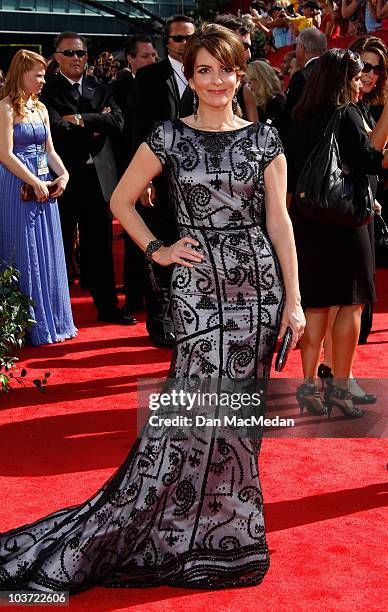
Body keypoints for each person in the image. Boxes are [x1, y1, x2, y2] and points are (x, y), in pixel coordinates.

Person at [0, 24, 305, 593]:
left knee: (236, 421)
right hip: (196, 291)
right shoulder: (168, 137)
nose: (217, 80)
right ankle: (172, 524)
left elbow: (280, 222)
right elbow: (120, 199)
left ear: (242, 74)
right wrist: (159, 250)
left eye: (226, 69)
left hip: (256, 293)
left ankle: (226, 535)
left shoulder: (265, 141)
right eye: (204, 70)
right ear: (189, 77)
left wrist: (294, 298)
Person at [288, 48, 388, 417]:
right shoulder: (345, 114)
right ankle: (341, 389)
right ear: (343, 80)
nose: (362, 84)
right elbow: (372, 161)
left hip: (309, 220)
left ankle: (309, 385)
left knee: (316, 305)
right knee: (350, 304)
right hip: (346, 222)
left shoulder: (299, 114)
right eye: (357, 76)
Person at [40, 32, 133, 325]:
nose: (76, 59)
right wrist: (95, 122)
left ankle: (108, 308)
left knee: (101, 247)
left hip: (99, 179)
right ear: (56, 58)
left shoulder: (101, 87)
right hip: (64, 179)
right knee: (61, 247)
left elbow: (116, 123)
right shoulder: (47, 92)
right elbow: (55, 131)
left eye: (80, 53)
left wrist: (79, 119)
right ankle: (56, 313)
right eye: (69, 53)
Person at [0, 50, 77, 347]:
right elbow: (5, 154)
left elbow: (50, 151)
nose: (43, 80)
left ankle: (50, 319)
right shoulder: (6, 108)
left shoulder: (41, 108)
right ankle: (20, 325)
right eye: (38, 74)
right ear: (21, 74)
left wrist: (64, 175)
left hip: (43, 184)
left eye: (44, 74)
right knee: (21, 248)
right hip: (16, 184)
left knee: (46, 249)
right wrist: (34, 182)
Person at [131, 15, 196, 347]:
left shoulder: (205, 73)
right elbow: (140, 130)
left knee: (194, 249)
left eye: (190, 38)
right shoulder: (149, 77)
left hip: (197, 179)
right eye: (179, 39)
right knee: (161, 247)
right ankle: (159, 321)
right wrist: (143, 180)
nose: (185, 45)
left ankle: (189, 317)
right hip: (161, 177)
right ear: (166, 41)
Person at [111, 35, 157, 314]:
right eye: (145, 56)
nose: (151, 60)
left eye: (153, 55)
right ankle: (133, 297)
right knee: (133, 235)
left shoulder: (156, 82)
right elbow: (123, 128)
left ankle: (146, 294)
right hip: (128, 166)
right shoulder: (123, 87)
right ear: (130, 59)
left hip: (152, 167)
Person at [245, 60, 286, 136]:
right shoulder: (260, 102)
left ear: (261, 80)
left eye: (250, 82)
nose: (249, 87)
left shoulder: (276, 101)